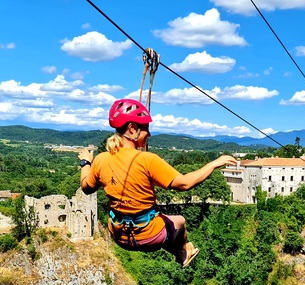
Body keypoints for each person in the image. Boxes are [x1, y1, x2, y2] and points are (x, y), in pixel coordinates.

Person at [79, 98, 237, 267]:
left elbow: (86, 188)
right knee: (180, 221)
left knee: (164, 222)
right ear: (132, 129)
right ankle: (182, 251)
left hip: (119, 236)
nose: (149, 134)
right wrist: (213, 164)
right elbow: (185, 183)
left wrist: (86, 163)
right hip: (150, 237)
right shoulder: (148, 160)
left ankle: (182, 252)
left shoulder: (101, 160)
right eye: (146, 128)